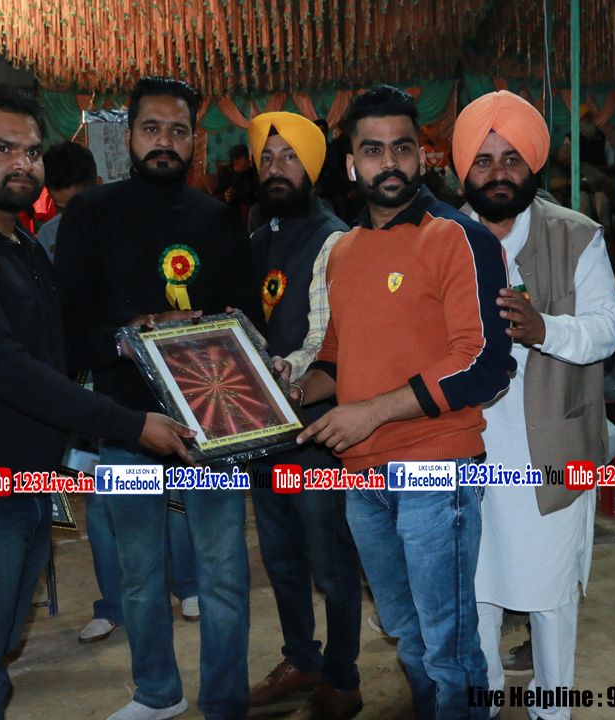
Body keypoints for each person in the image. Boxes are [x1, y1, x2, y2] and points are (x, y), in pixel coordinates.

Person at [0, 85, 195, 720]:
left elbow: (53, 351)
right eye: (2, 149)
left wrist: (132, 337)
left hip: (16, 480)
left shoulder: (17, 244)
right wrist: (131, 425)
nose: (22, 163)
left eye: (31, 151)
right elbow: (6, 369)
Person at [290, 85, 515, 720]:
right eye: (372, 150)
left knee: (447, 644)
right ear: (350, 164)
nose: (389, 162)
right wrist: (295, 391)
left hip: (435, 468)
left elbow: (484, 363)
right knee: (405, 632)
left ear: (423, 155)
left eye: (402, 148)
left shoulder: (460, 238)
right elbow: (337, 356)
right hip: (363, 476)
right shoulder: (342, 251)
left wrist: (372, 411)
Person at [55, 76, 261, 720]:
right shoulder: (90, 216)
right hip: (126, 426)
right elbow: (69, 334)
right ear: (128, 135)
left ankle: (225, 701)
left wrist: (228, 338)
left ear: (195, 141)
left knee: (224, 575)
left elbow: (246, 324)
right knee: (139, 576)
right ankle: (157, 693)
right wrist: (134, 335)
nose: (164, 141)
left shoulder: (220, 220)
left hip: (212, 430)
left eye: (178, 130)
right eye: (152, 128)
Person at [453, 91, 615, 720]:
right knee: (474, 593)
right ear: (463, 170)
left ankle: (553, 709)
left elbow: (610, 327)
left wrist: (544, 328)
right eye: (483, 160)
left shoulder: (574, 234)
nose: (498, 172)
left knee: (551, 596)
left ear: (534, 165)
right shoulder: (442, 237)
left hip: (550, 453)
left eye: (512, 159)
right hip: (464, 450)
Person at [243, 111, 363, 720]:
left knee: (331, 566)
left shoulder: (336, 239)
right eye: (267, 158)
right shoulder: (257, 237)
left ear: (313, 166)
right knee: (282, 559)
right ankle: (301, 659)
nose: (277, 168)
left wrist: (296, 382)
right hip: (263, 435)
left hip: (315, 435)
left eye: (290, 156)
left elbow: (338, 340)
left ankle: (342, 678)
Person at [36, 141, 98, 262]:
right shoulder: (47, 235)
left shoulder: (118, 228)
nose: (71, 217)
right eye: (61, 209)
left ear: (98, 185)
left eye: (78, 207)